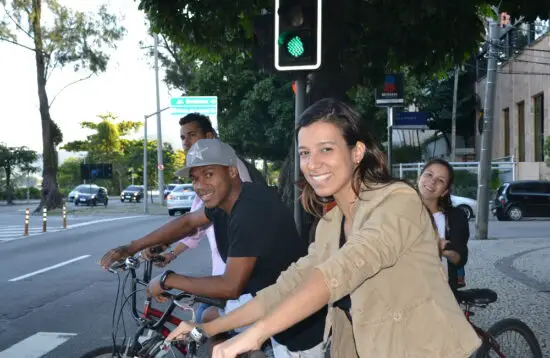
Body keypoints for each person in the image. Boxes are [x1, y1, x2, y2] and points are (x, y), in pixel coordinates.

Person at [165, 98, 482, 358]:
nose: (312, 163)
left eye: (326, 149)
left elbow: (340, 271)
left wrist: (256, 335)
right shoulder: (331, 224)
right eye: (305, 153)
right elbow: (286, 287)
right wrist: (209, 329)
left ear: (356, 152)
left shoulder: (398, 201)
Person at [99, 138, 326, 357]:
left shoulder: (249, 210)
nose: (200, 185)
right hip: (268, 300)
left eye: (209, 174)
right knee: (208, 317)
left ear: (232, 171)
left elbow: (230, 287)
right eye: (195, 178)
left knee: (207, 317)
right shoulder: (227, 201)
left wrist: (167, 280)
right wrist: (131, 247)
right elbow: (188, 222)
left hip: (298, 326)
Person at [157, 113, 253, 323]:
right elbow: (194, 226)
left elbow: (192, 222)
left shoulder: (227, 166)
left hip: (240, 277)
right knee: (204, 320)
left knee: (206, 321)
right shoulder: (209, 169)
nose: (186, 142)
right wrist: (170, 252)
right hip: (224, 272)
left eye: (192, 135)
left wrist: (138, 246)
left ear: (209, 136)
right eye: (182, 137)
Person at [417, 158, 470, 293]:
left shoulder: (455, 217)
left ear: (445, 191)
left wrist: (443, 248)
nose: (432, 181)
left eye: (440, 180)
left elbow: (460, 258)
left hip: (440, 292)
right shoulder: (398, 211)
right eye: (429, 174)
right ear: (419, 177)